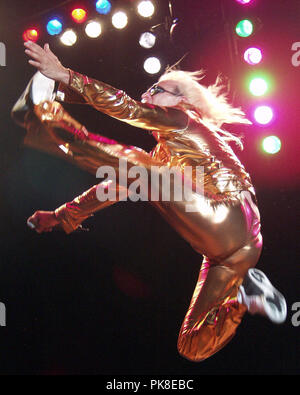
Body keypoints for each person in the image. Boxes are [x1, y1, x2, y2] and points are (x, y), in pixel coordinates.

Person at [11, 41, 287, 362]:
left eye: (157, 89)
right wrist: (60, 216)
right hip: (234, 254)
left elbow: (128, 109)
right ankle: (245, 298)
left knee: (138, 166)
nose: (147, 95)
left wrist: (66, 76)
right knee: (192, 346)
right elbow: (114, 188)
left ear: (183, 101)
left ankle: (42, 114)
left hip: (227, 210)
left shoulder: (184, 120)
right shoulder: (164, 158)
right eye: (149, 90)